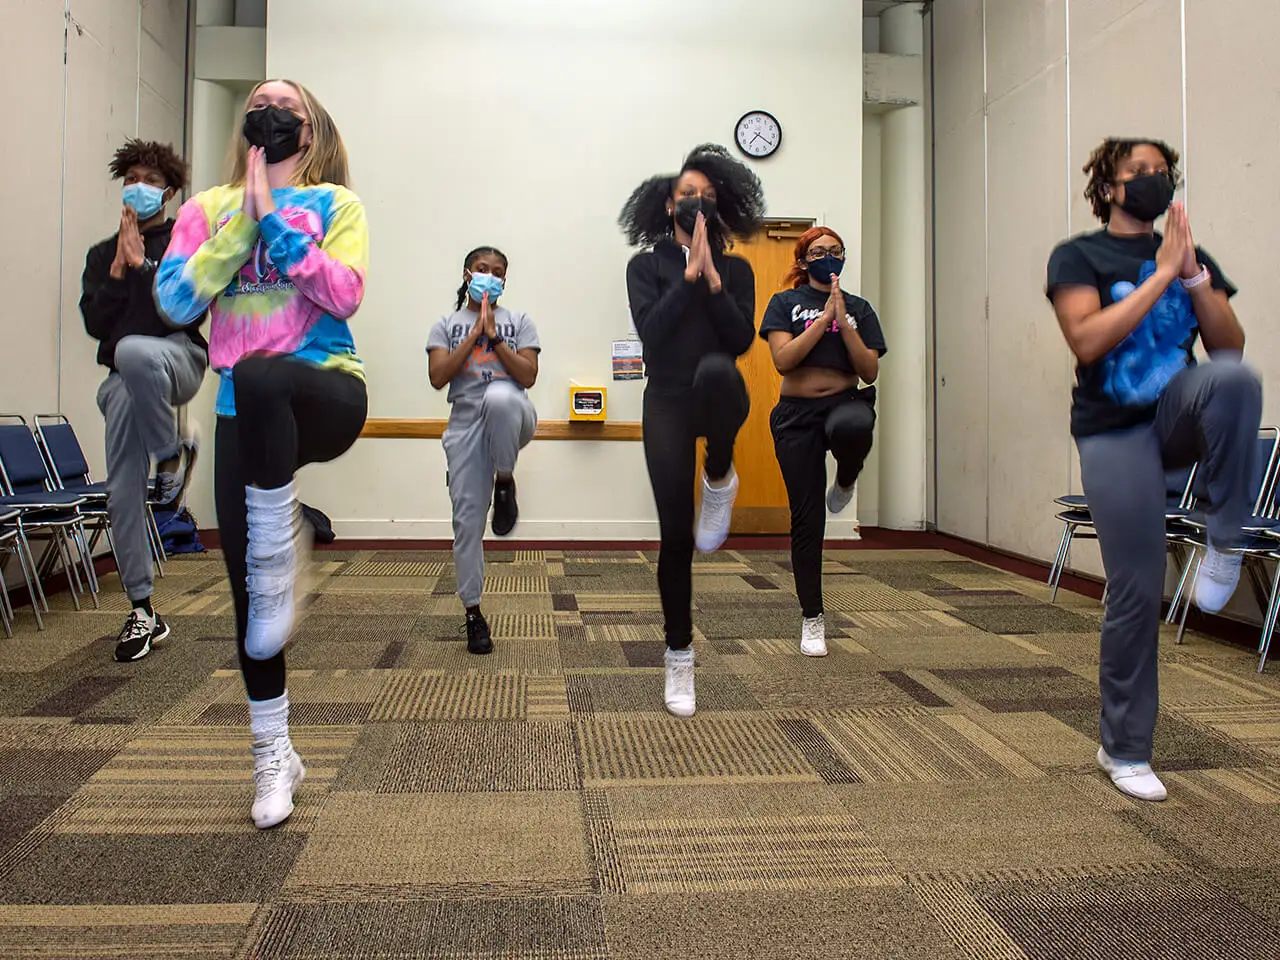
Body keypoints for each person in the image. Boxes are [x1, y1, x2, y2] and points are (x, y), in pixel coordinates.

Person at [156, 79, 369, 829]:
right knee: (255, 611)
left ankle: (285, 532)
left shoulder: (335, 206)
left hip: (326, 391)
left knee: (260, 371)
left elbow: (343, 294)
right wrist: (238, 227)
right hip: (241, 414)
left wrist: (274, 219)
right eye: (259, 102)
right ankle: (274, 754)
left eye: (288, 106)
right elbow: (177, 301)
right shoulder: (203, 209)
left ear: (307, 132)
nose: (271, 112)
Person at [1046, 137, 1260, 802]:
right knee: (1137, 589)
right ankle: (1125, 748)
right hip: (1113, 434)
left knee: (1234, 379)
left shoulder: (1191, 258)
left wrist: (1194, 276)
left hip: (1174, 417)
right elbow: (1086, 340)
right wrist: (1163, 275)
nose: (1152, 180)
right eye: (1137, 172)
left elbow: (1229, 343)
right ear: (1109, 187)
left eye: (1162, 172)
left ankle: (1224, 539)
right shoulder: (1078, 256)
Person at [619, 143, 764, 717]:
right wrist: (686, 276)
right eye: (685, 194)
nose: (695, 201)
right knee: (676, 539)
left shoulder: (738, 269)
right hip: (667, 402)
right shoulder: (644, 266)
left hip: (717, 391)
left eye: (705, 195)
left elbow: (740, 340)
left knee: (718, 368)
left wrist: (712, 282)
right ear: (667, 205)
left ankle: (720, 471)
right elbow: (652, 336)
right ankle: (679, 656)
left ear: (719, 204)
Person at [80, 139, 207, 663]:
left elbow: (185, 314)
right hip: (126, 383)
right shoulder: (100, 253)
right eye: (132, 177)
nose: (140, 187)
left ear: (171, 192)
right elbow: (95, 324)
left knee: (135, 349)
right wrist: (115, 273)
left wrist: (143, 268)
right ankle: (142, 611)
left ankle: (172, 455)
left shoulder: (184, 242)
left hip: (175, 361)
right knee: (122, 495)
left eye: (152, 181)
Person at [760, 226, 887, 657]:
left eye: (835, 251)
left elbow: (869, 370)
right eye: (818, 251)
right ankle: (812, 618)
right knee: (807, 520)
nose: (828, 256)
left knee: (854, 427)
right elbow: (783, 361)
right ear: (803, 259)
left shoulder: (861, 308)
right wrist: (824, 322)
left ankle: (847, 479)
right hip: (797, 417)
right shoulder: (785, 304)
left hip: (844, 403)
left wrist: (845, 321)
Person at [427, 246, 540, 655]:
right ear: (467, 273)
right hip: (465, 426)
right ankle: (473, 612)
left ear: (504, 281)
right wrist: (475, 333)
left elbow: (528, 374)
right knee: (467, 524)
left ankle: (505, 483)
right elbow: (438, 377)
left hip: (512, 417)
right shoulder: (446, 324)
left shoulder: (519, 321)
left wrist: (495, 337)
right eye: (481, 269)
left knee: (500, 396)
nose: (489, 276)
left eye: (497, 272)